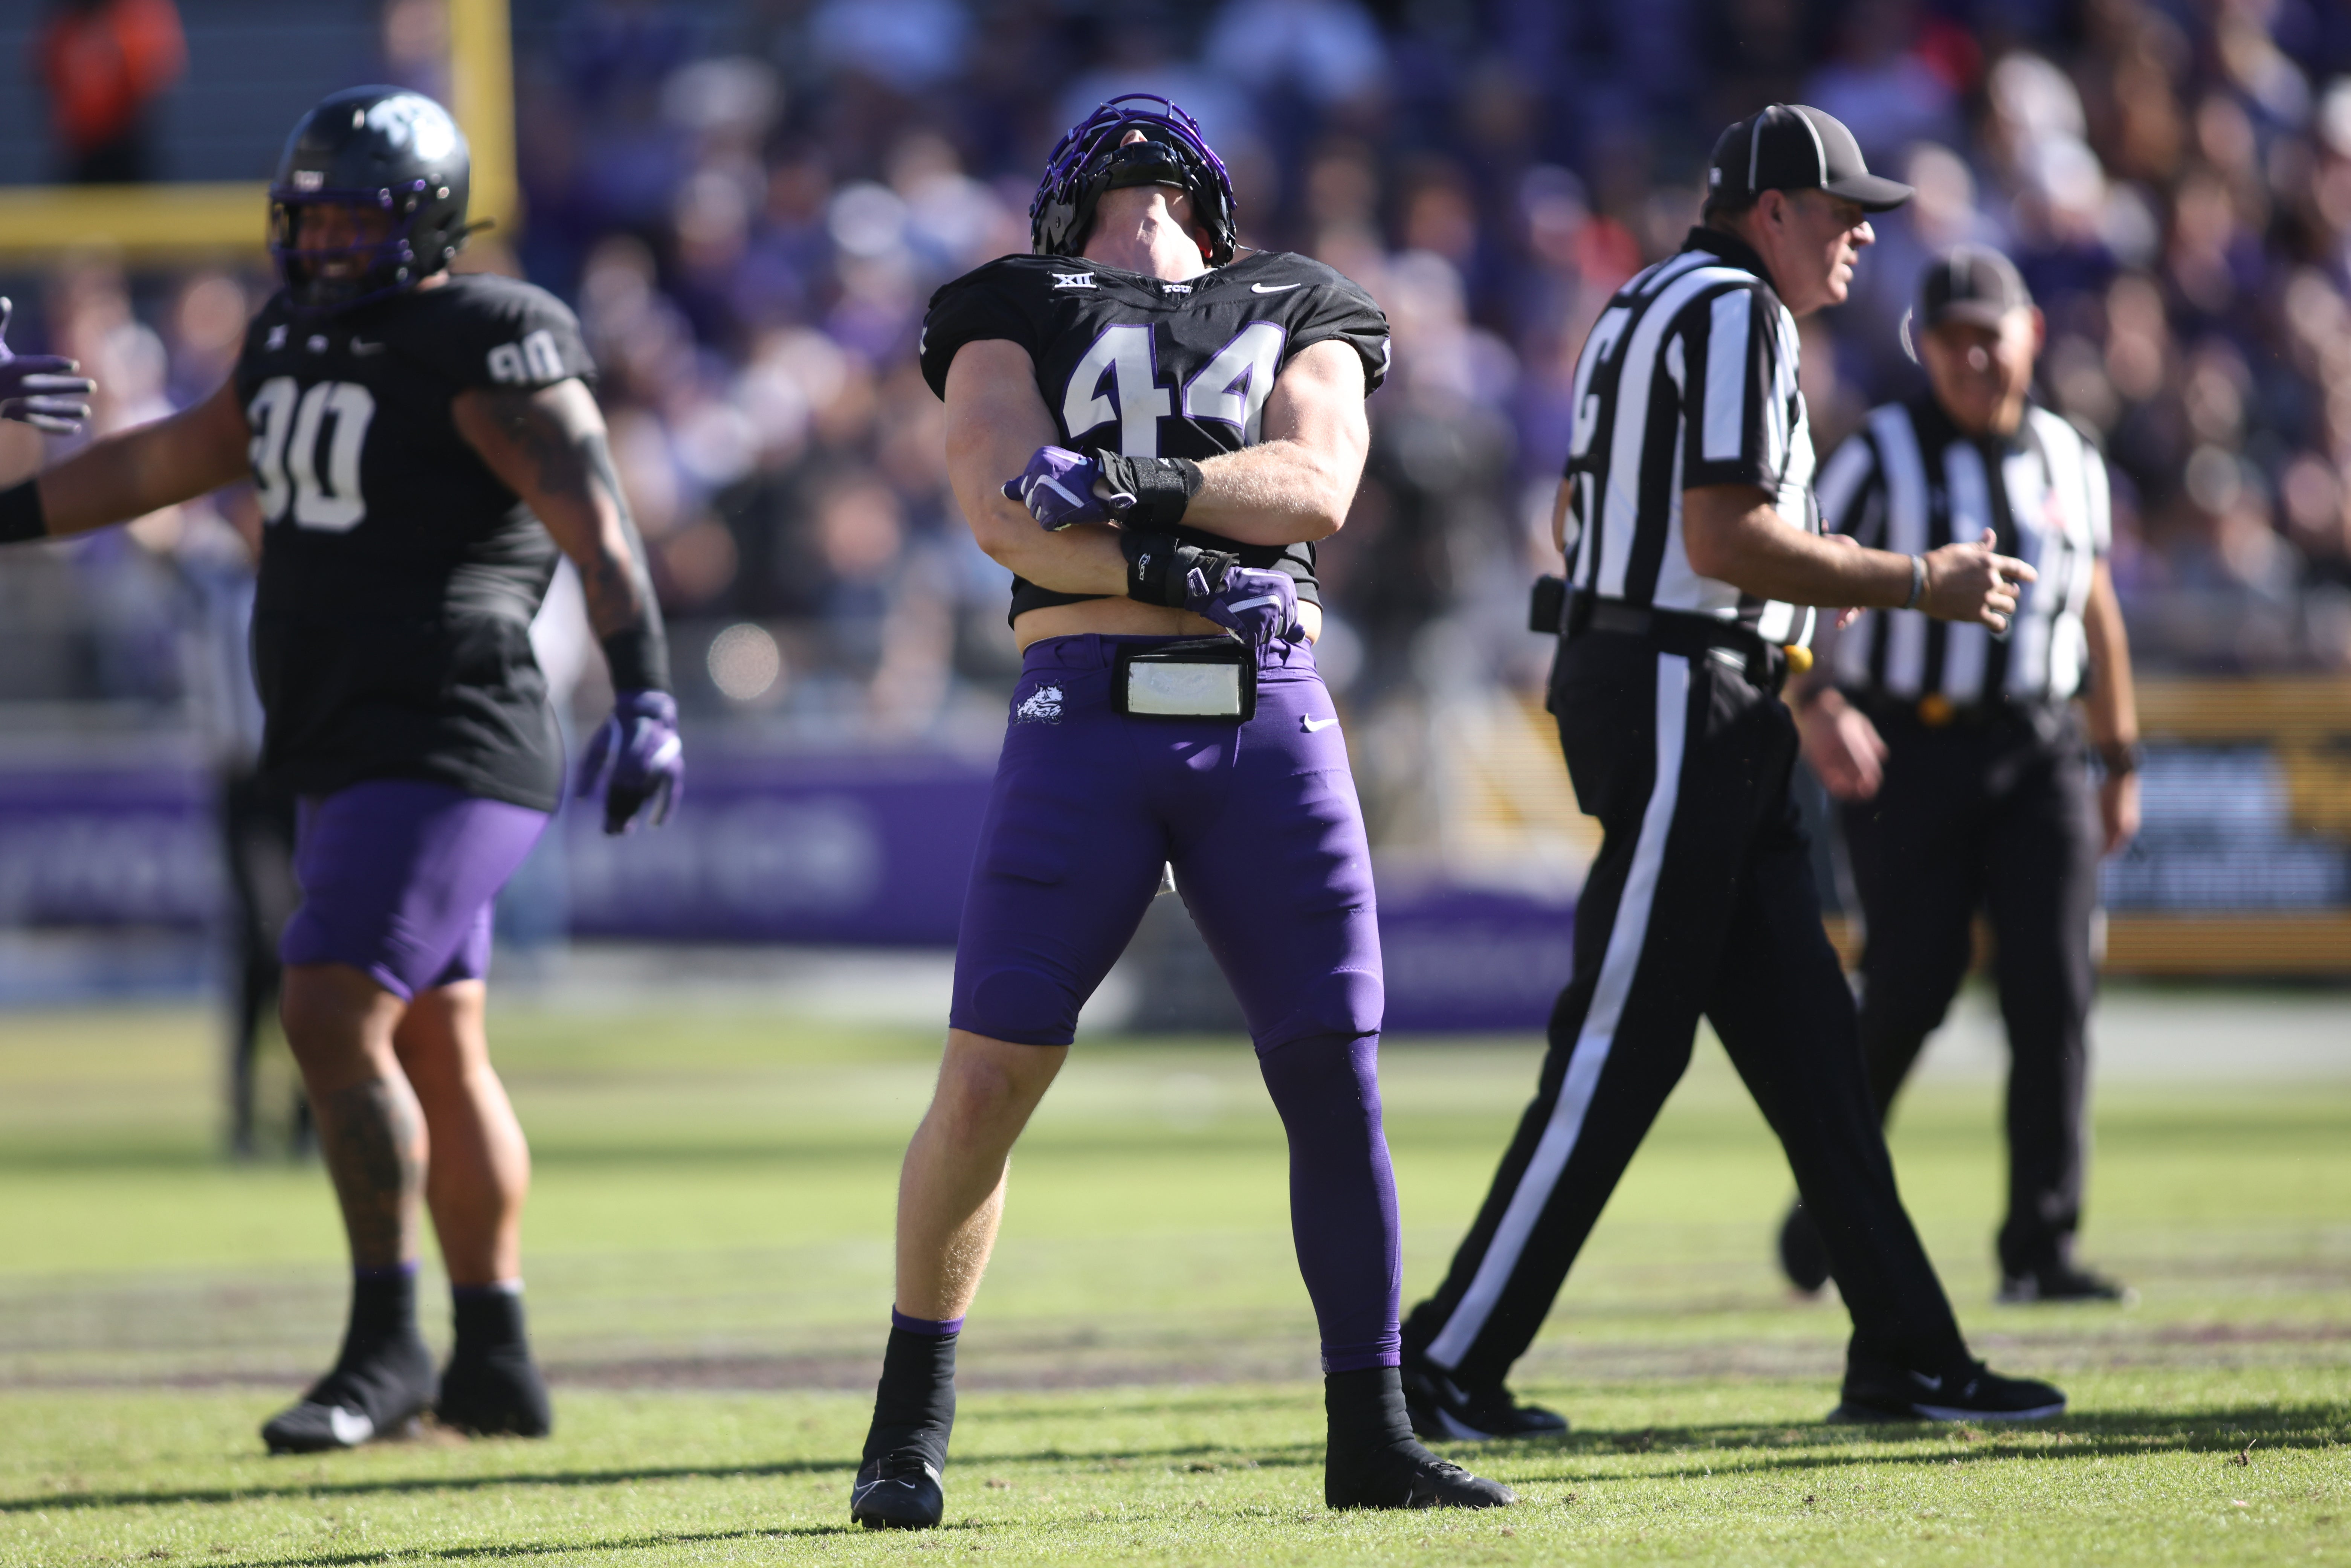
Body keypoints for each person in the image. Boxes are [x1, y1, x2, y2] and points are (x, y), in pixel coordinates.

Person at [850, 93, 1513, 1530]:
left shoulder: (1299, 298)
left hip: (1264, 711)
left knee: (1333, 1072)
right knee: (988, 1078)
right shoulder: (1006, 304)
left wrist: (1143, 497)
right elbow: (1005, 513)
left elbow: (1317, 488)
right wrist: (1205, 566)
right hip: (1087, 704)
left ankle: (1372, 1432)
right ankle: (907, 1427)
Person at [0, 86, 683, 1453]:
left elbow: (594, 519)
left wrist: (650, 684)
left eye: (352, 220)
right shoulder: (295, 333)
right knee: (436, 1041)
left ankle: (387, 1345)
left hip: (448, 729)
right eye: (306, 218)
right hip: (345, 731)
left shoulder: (488, 334)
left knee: (323, 1009)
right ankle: (495, 1360)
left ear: (425, 223)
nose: (321, 244)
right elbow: (174, 459)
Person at [1397, 105, 2068, 1439]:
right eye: (1838, 212)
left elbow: (1582, 510)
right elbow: (1721, 534)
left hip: (1679, 686)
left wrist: (1772, 663)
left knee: (1815, 1055)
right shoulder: (1737, 316)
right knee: (1617, 1046)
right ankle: (1441, 1363)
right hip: (1675, 692)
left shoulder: (1643, 299)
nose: (1861, 234)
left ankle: (1907, 1354)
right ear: (1770, 210)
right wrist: (1911, 580)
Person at [1776, 245, 2140, 1305]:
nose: (1974, 356)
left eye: (1991, 333)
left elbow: (2097, 609)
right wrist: (1815, 701)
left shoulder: (2073, 455)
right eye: (1951, 339)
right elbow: (1801, 569)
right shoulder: (1880, 452)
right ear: (1922, 349)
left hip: (2038, 748)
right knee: (1905, 987)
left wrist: (2118, 756)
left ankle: (2040, 1245)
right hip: (1910, 746)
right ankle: (1827, 1208)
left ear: (2031, 332)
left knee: (2053, 992)